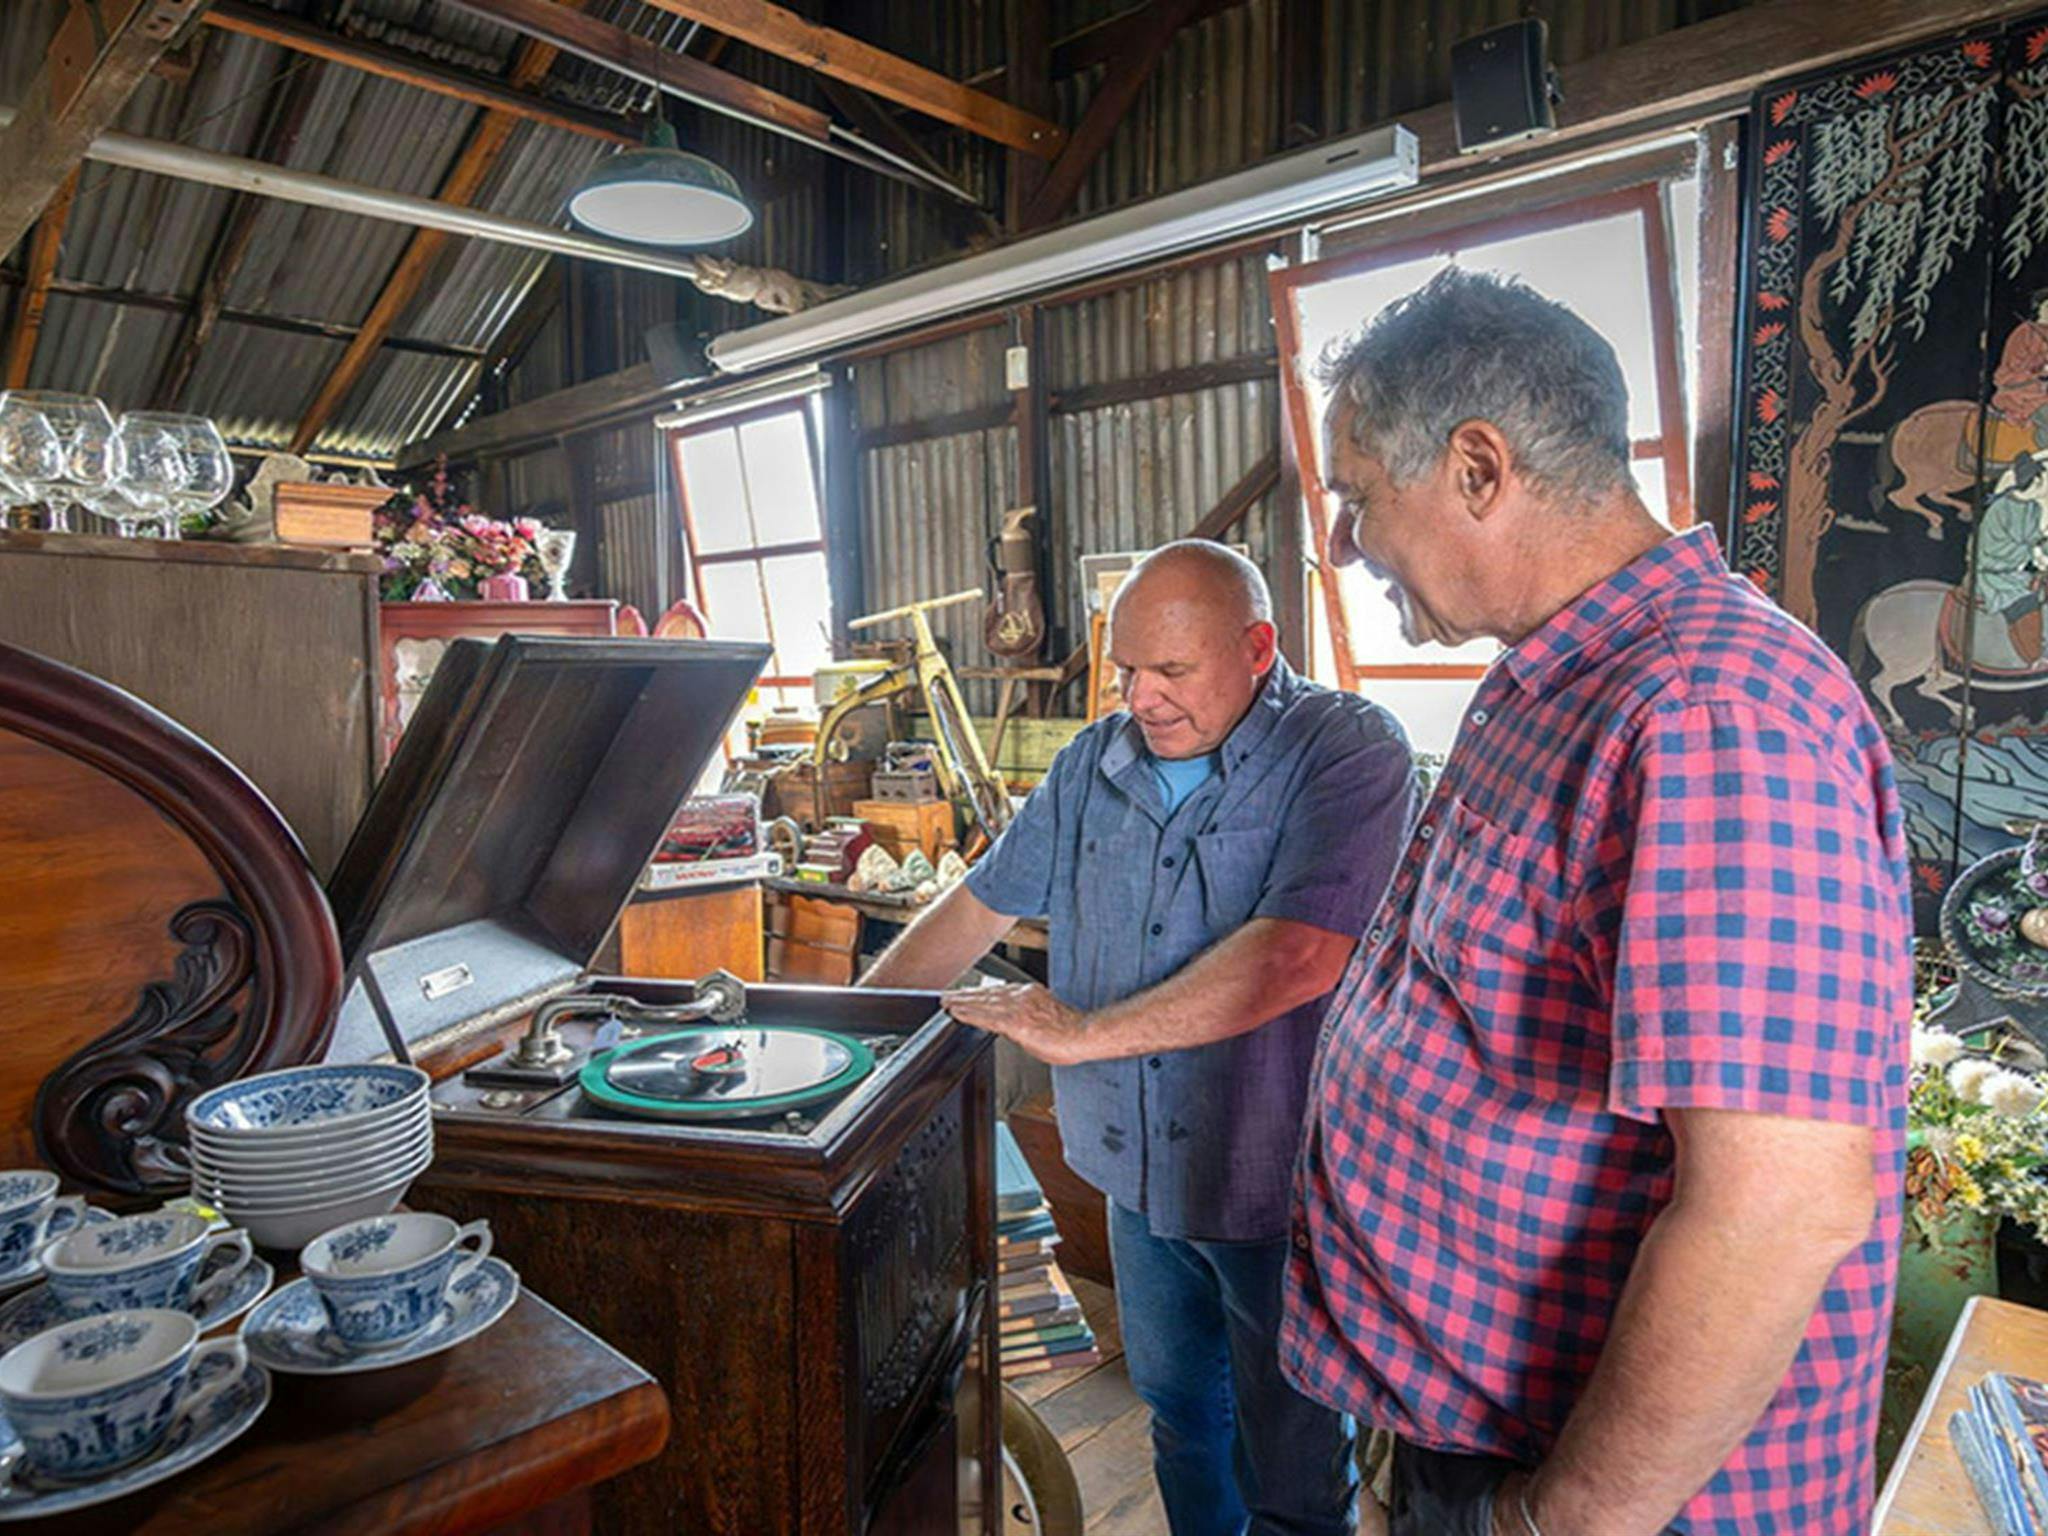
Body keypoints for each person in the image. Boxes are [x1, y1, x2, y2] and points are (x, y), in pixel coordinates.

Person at [1283, 268, 1910, 1536]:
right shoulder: (1558, 670)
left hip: (1601, 1492)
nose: (1343, 542)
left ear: (1475, 468)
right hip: (1473, 1426)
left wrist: (1549, 1520)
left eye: (1357, 496)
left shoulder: (1703, 713)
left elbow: (1778, 1204)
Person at [861, 540, 1414, 1536]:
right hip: (1134, 1178)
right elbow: (975, 907)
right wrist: (847, 1032)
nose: (1141, 697)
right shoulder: (1091, 764)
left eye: (1171, 671)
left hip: (1272, 1188)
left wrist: (1081, 1034)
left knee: (1289, 1464)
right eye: (1123, 671)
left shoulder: (1344, 751)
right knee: (1180, 1421)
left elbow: (1296, 955)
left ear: (1257, 646)